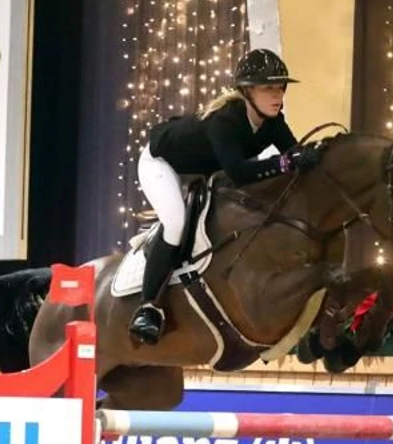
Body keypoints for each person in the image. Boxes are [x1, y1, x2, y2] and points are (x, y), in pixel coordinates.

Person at [128, 48, 323, 346]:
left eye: (280, 87)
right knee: (176, 222)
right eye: (268, 87)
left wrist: (318, 156)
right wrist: (287, 163)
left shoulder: (272, 121)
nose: (277, 94)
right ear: (246, 91)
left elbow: (292, 154)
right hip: (162, 163)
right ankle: (148, 308)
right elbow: (238, 172)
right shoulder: (226, 120)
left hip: (203, 169)